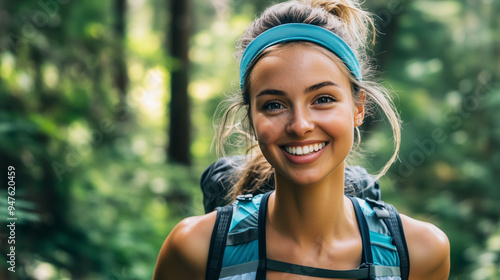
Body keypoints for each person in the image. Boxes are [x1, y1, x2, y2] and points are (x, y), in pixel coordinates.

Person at [153, 0, 450, 279]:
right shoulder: (194, 251)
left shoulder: (421, 254)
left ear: (358, 108)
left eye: (322, 98)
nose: (300, 125)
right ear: (252, 119)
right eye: (273, 104)